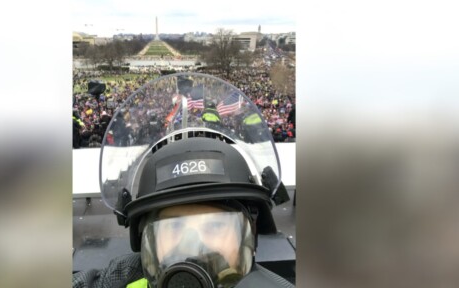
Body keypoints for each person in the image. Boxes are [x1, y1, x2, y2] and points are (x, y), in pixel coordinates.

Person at [73, 73, 294, 288]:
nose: (194, 249)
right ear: (146, 241)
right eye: (174, 227)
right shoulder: (119, 280)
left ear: (250, 234)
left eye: (216, 226)